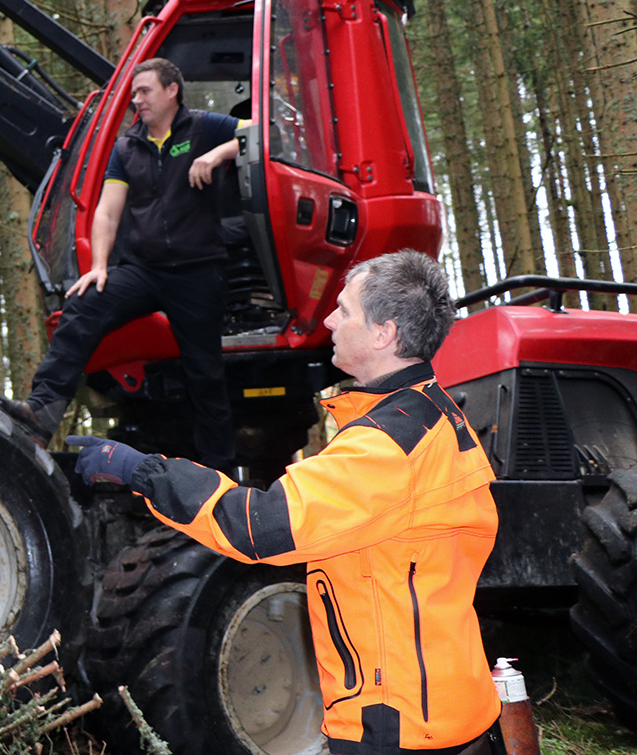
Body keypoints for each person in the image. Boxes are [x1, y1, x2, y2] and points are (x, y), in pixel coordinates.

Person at [67, 250, 503, 755]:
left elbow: (257, 528)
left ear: (384, 333)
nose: (329, 320)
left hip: (399, 725)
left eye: (344, 309)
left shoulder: (387, 446)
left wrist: (141, 471)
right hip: (448, 706)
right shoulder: (434, 414)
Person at [0, 56, 244, 467]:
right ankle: (41, 413)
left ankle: (220, 483)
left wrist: (217, 155)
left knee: (205, 376)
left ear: (171, 90)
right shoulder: (127, 147)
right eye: (133, 94)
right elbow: (108, 212)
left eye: (144, 91)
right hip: (144, 270)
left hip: (198, 270)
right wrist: (100, 266)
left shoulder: (203, 127)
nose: (136, 100)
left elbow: (261, 132)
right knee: (84, 306)